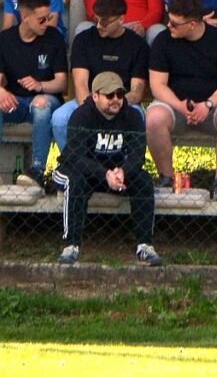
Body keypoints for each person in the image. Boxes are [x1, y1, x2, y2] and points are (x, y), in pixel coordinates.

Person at [50, 72, 161, 266]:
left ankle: (145, 245)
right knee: (75, 182)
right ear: (95, 96)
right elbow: (76, 157)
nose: (116, 99)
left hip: (114, 172)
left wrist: (122, 172)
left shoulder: (132, 116)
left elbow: (138, 154)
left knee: (143, 180)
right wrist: (105, 173)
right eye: (110, 95)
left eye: (120, 94)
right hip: (77, 169)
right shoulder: (81, 115)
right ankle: (71, 246)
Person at [147, 0, 217, 201]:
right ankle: (166, 178)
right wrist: (179, 105)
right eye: (169, 20)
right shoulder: (163, 40)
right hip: (176, 105)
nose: (169, 26)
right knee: (154, 116)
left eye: (174, 23)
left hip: (213, 106)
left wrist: (207, 105)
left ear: (192, 24)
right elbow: (157, 85)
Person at [51, 0, 149, 154]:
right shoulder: (83, 40)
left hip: (121, 103)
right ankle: (74, 162)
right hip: (89, 101)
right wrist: (96, 107)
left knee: (138, 115)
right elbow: (80, 84)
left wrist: (113, 103)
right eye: (96, 19)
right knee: (59, 118)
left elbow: (136, 92)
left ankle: (124, 166)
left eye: (104, 22)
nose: (98, 26)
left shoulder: (137, 45)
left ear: (121, 19)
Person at [0, 0, 67, 188]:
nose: (47, 23)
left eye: (49, 18)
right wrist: (1, 91)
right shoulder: (5, 39)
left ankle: (37, 171)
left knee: (41, 104)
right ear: (24, 17)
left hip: (47, 100)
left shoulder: (54, 38)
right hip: (16, 102)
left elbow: (62, 82)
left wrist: (40, 86)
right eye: (41, 20)